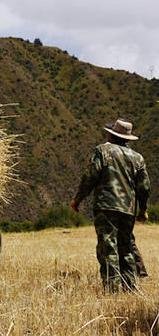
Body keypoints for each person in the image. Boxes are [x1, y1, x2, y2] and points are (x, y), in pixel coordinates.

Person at [71, 118, 150, 293]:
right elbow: (144, 187)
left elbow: (90, 177)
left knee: (108, 249)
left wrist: (78, 199)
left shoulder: (102, 151)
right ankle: (132, 289)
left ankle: (112, 291)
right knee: (126, 248)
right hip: (128, 210)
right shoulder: (137, 158)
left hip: (106, 207)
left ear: (111, 134)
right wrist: (142, 210)